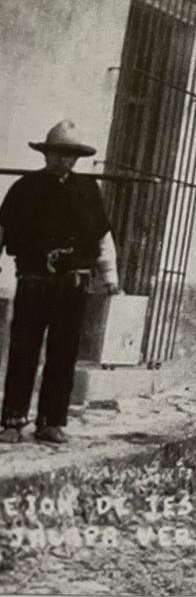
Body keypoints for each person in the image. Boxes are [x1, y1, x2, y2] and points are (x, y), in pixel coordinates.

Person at [0, 121, 120, 445]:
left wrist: (109, 276)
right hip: (34, 284)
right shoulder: (24, 189)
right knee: (24, 351)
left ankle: (52, 422)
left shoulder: (88, 191)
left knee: (63, 354)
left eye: (70, 155)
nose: (63, 160)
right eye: (57, 153)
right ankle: (12, 419)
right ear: (46, 153)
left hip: (72, 287)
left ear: (77, 158)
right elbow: (1, 230)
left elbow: (102, 236)